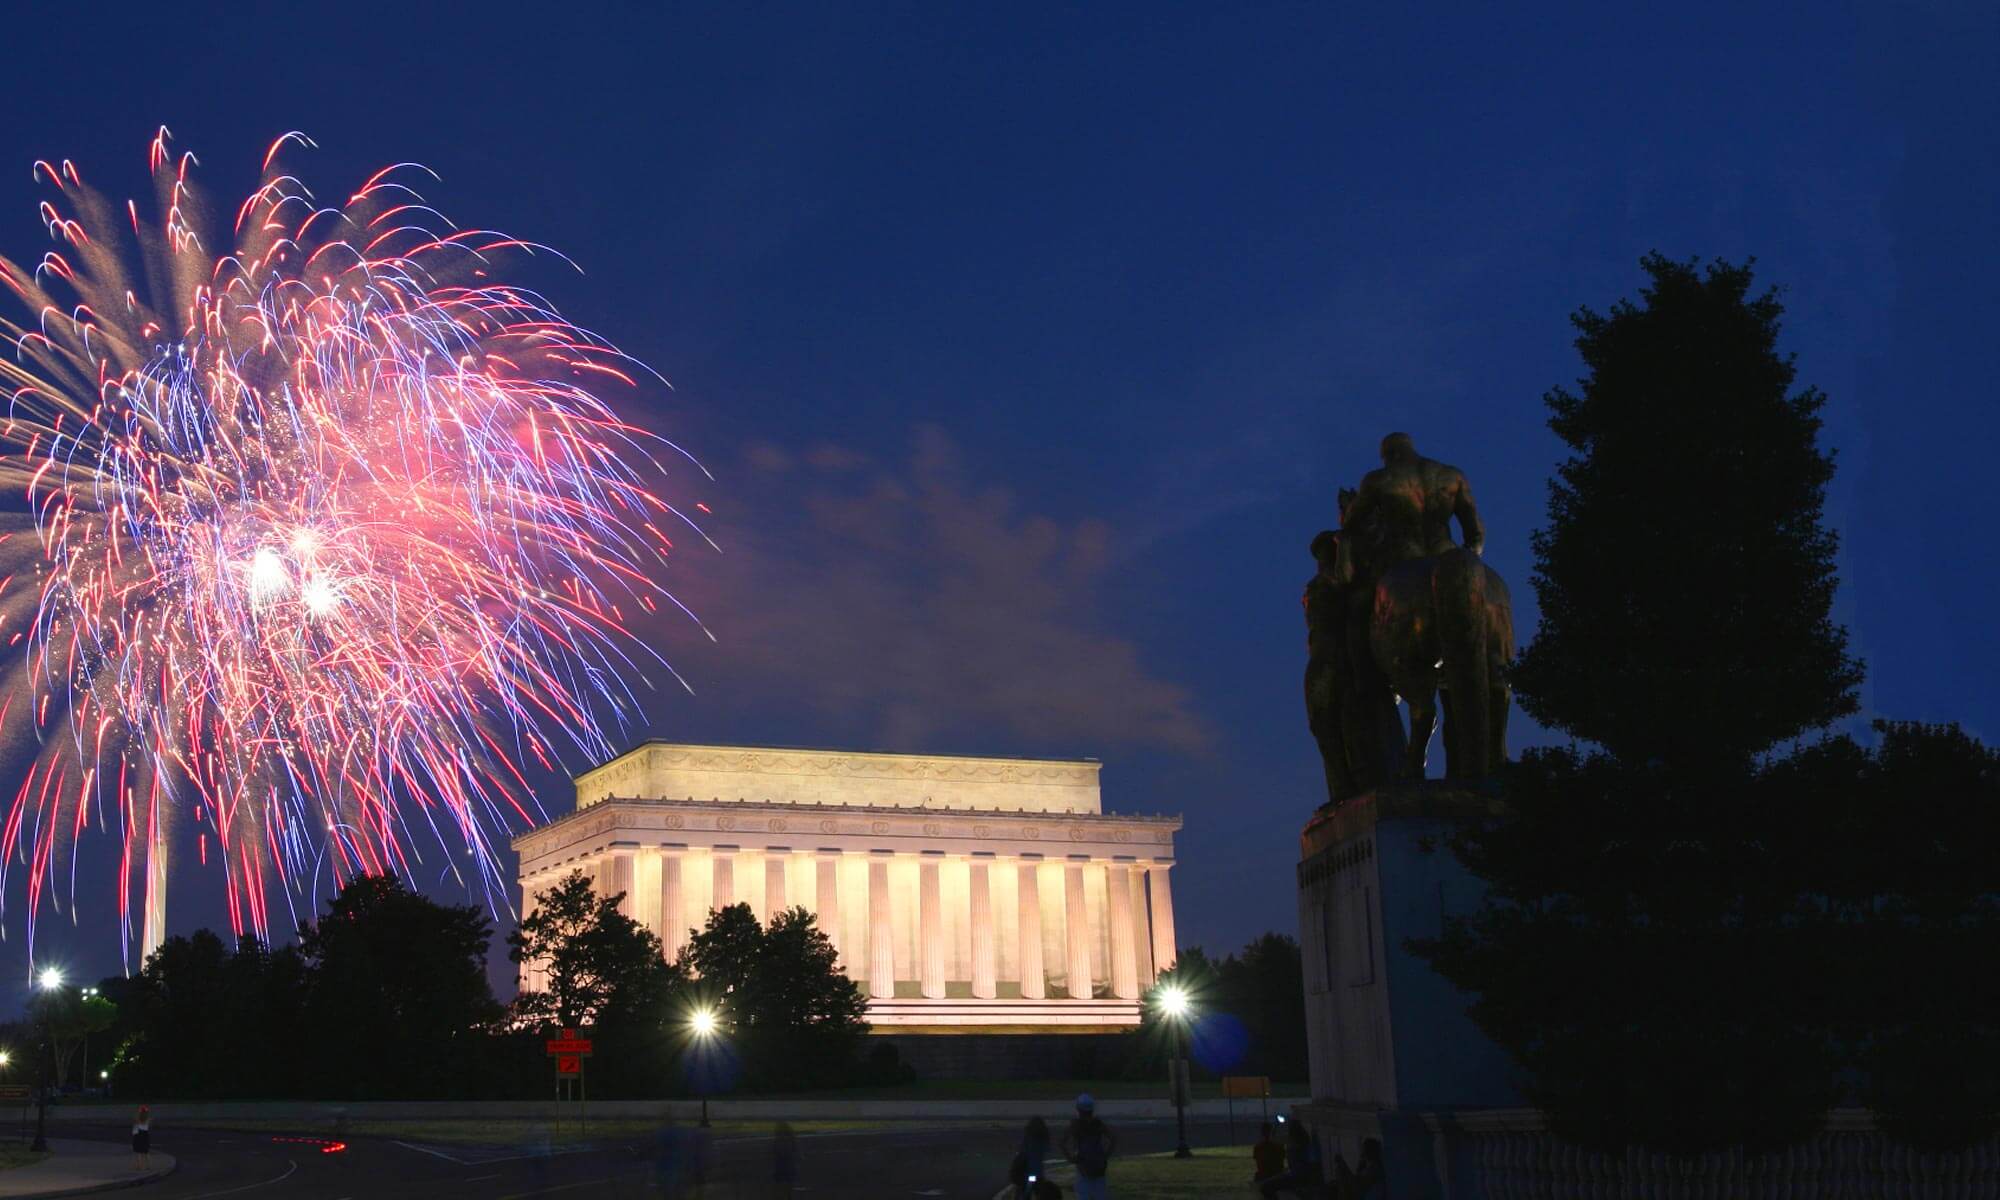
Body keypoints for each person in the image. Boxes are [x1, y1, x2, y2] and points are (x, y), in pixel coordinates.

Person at [1060, 1094, 1115, 1200]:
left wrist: (1070, 1158)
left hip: (1083, 1167)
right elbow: (1113, 1139)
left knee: (1083, 1194)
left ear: (1078, 1108)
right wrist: (1105, 1155)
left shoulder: (1075, 1125)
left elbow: (1061, 1142)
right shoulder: (1098, 1123)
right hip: (1099, 1168)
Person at [1259, 1120, 1321, 1197]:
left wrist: (1276, 1124)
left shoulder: (1292, 1141)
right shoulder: (1303, 1141)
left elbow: (1274, 1139)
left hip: (1297, 1177)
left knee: (1265, 1187)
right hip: (1299, 1175)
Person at [1251, 1120, 1287, 1188]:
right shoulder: (1278, 1147)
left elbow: (1259, 1163)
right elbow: (1281, 1161)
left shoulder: (1258, 1147)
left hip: (1263, 1175)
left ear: (1261, 1133)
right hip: (1275, 1175)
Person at [770, 1121, 798, 1197]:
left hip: (782, 1165)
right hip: (786, 1165)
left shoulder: (778, 1139)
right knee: (787, 1187)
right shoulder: (789, 1138)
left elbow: (774, 1151)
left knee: (781, 1186)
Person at [131, 1104, 152, 1170]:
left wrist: (138, 1114)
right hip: (145, 1135)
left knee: (138, 1152)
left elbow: (135, 1123)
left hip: (138, 1135)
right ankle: (148, 1166)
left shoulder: (137, 1119)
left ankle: (139, 1166)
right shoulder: (148, 1119)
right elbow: (147, 1124)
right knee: (146, 1152)